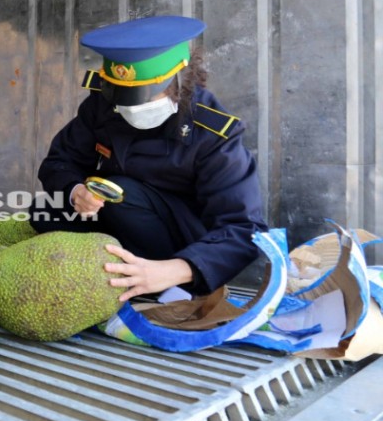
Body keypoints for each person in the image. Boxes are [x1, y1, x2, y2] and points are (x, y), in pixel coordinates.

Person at [30, 16, 267, 301]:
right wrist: (75, 191)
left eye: (142, 97)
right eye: (122, 97)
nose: (130, 108)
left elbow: (244, 229)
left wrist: (176, 268)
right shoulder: (103, 105)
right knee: (45, 210)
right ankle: (107, 275)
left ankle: (166, 289)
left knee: (123, 194)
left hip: (181, 247)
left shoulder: (211, 132)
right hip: (120, 220)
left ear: (179, 81)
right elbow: (59, 161)